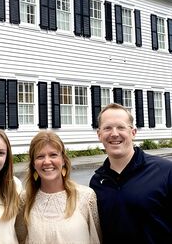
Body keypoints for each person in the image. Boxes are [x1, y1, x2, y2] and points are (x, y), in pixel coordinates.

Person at [90, 102, 172, 243]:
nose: (114, 134)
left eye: (121, 127)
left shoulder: (165, 171)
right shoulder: (97, 182)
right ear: (99, 134)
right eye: (107, 128)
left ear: (133, 132)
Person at [15, 130, 101, 244]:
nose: (47, 161)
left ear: (63, 160)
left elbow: (96, 238)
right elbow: (20, 239)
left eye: (53, 155)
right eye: (40, 156)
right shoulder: (24, 200)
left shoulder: (86, 197)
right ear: (33, 164)